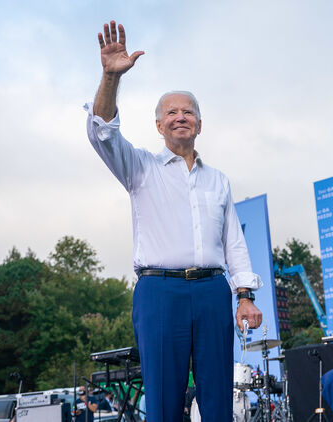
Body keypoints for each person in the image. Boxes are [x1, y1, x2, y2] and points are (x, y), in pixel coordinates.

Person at [86, 21, 263, 422]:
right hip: (159, 293)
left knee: (218, 399)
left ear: (199, 124)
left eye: (188, 112)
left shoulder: (218, 180)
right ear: (159, 125)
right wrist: (110, 77)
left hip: (212, 294)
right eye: (171, 112)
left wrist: (244, 295)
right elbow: (102, 134)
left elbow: (233, 242)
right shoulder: (140, 169)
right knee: (164, 404)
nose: (180, 117)